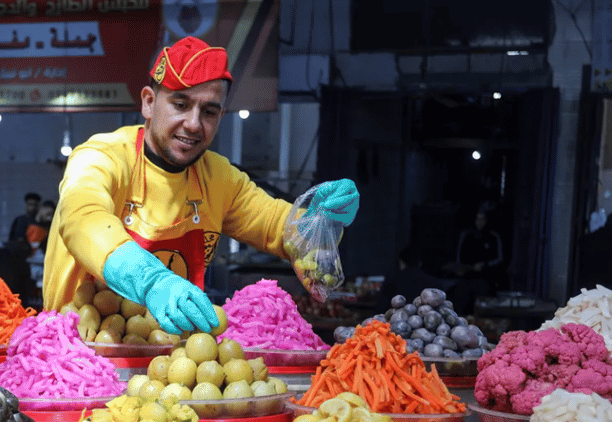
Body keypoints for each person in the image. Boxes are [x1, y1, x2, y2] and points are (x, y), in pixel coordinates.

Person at [43, 36, 358, 334]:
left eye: (208, 111)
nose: (194, 124)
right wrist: (149, 279)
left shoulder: (218, 177)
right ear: (149, 103)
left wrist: (316, 223)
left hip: (170, 368)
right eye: (180, 104)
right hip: (74, 363)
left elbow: (277, 226)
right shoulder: (101, 157)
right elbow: (83, 218)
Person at [375, 245, 448, 312]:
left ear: (401, 262)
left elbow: (381, 308)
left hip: (395, 322)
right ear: (420, 263)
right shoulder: (435, 282)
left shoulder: (392, 279)